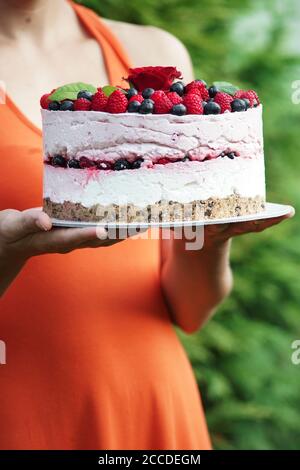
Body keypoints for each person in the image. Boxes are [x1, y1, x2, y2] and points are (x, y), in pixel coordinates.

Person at [0, 0, 293, 450]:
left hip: (152, 393)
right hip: (22, 406)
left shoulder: (149, 51)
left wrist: (210, 236)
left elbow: (190, 310)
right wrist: (8, 252)